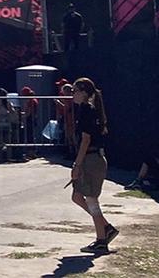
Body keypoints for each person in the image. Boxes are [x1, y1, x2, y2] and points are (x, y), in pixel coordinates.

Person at [69, 77, 118, 253]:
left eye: (74, 91)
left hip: (91, 159)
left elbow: (86, 139)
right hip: (91, 159)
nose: (72, 94)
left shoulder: (87, 110)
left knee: (91, 200)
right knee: (77, 196)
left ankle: (101, 240)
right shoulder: (87, 109)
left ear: (83, 92)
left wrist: (77, 164)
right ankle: (105, 227)